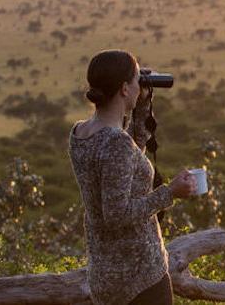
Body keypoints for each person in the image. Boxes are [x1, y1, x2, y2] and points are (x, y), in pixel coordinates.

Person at [69, 49, 195, 305]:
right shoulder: (116, 143)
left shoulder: (81, 133)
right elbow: (116, 215)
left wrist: (142, 108)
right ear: (125, 89)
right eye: (138, 79)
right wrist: (169, 193)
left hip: (105, 274)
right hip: (138, 277)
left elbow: (126, 161)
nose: (141, 85)